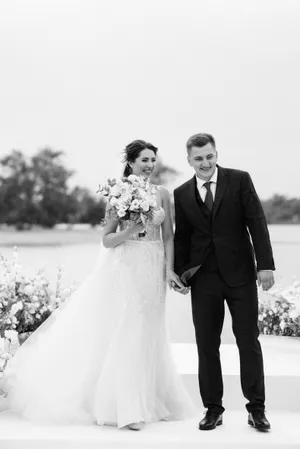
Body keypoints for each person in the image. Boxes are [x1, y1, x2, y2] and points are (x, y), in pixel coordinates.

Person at [1, 140, 195, 430]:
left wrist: (169, 270)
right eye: (144, 159)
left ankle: (151, 397)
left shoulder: (163, 194)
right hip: (128, 264)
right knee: (129, 327)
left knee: (152, 329)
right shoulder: (117, 193)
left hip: (154, 266)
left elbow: (169, 235)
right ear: (130, 162)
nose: (150, 165)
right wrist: (132, 229)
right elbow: (107, 239)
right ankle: (127, 407)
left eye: (153, 160)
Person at [173, 133, 275, 432]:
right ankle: (213, 409)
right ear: (189, 160)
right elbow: (182, 238)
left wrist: (265, 265)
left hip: (241, 276)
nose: (205, 163)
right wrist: (180, 273)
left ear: (216, 154)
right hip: (204, 279)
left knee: (248, 341)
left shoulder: (239, 180)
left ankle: (256, 408)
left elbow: (257, 221)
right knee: (206, 345)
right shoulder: (181, 193)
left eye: (209, 156)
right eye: (198, 158)